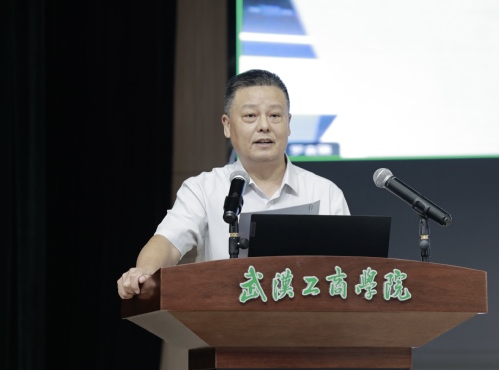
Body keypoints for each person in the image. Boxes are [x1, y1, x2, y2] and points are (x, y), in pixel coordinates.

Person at [117, 69, 350, 299]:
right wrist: (144, 272)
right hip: (223, 321)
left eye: (275, 115)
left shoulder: (325, 192)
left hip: (305, 321)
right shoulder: (203, 189)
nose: (264, 126)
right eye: (250, 115)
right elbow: (167, 243)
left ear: (288, 124)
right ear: (227, 125)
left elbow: (352, 267)